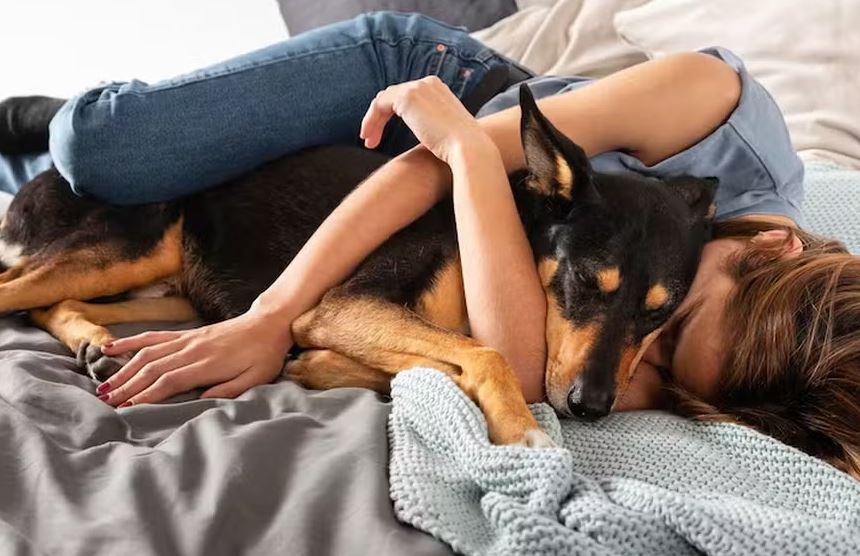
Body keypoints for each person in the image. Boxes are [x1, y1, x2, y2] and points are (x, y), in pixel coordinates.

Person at [1, 12, 857, 479]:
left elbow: (527, 371)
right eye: (674, 323)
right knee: (106, 152)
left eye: (661, 365)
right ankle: (37, 123)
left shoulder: (732, 363)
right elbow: (437, 159)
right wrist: (270, 317)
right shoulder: (712, 107)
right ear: (776, 245)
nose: (630, 363)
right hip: (435, 96)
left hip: (464, 186)